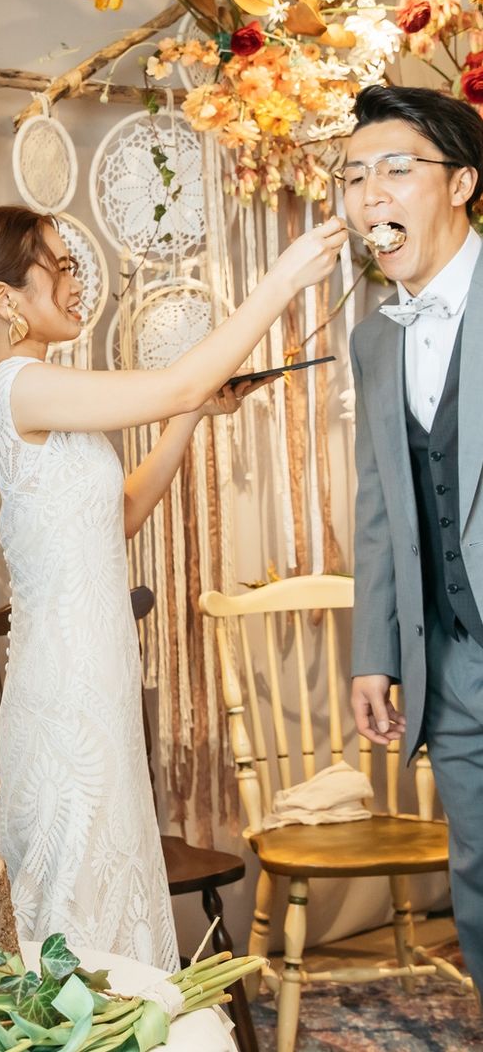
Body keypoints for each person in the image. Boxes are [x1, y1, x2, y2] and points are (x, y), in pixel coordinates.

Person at [0, 205, 346, 968]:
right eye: (61, 267)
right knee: (76, 871)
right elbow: (179, 382)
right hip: (70, 676)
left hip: (90, 665)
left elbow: (119, 515)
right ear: (4, 299)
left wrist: (193, 415)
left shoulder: (19, 393)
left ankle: (99, 1008)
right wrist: (284, 279)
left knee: (94, 863)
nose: (76, 283)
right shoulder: (18, 385)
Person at [346, 83, 483, 991]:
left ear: (462, 183)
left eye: (397, 169)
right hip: (452, 662)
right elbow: (380, 504)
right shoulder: (374, 340)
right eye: (356, 176)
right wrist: (374, 651)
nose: (372, 194)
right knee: (478, 883)